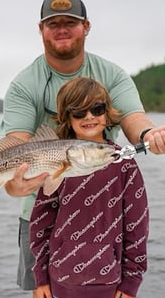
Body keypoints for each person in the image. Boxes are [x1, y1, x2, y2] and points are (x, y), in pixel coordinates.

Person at [0, 0, 165, 294]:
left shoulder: (112, 74)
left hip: (105, 219)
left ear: (86, 26)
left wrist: (152, 136)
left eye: (70, 22)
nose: (61, 29)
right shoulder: (24, 85)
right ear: (40, 29)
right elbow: (15, 144)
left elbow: (134, 119)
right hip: (41, 216)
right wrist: (11, 183)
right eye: (52, 23)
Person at [30, 77, 149, 298]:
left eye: (97, 108)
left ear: (106, 112)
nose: (89, 117)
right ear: (67, 117)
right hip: (59, 286)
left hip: (111, 287)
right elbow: (40, 223)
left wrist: (131, 283)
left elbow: (137, 226)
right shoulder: (56, 162)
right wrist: (40, 278)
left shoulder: (124, 164)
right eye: (79, 112)